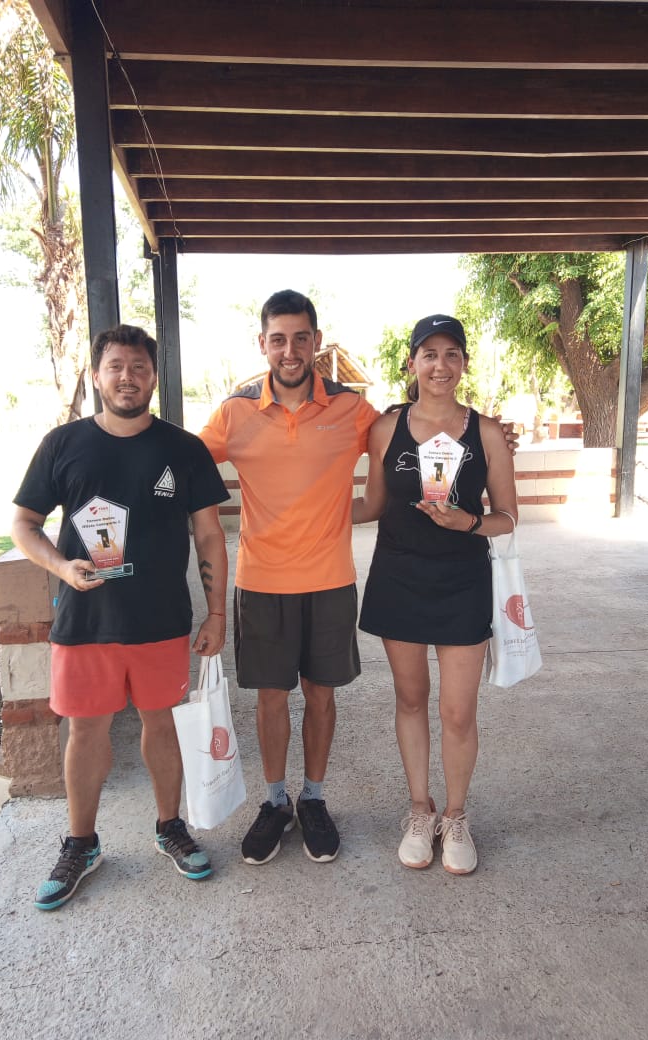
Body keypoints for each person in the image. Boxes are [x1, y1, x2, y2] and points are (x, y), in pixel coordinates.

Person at [200, 292, 518, 867]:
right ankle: (279, 802)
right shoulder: (237, 412)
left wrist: (492, 454)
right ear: (263, 344)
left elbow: (428, 436)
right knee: (276, 699)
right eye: (279, 339)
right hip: (272, 578)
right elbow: (182, 461)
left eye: (301, 338)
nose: (290, 350)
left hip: (339, 578)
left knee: (328, 696)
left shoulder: (355, 411)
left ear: (316, 342)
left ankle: (321, 799)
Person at [12, 324, 230, 910]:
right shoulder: (63, 444)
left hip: (161, 621)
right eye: (116, 367)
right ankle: (81, 844)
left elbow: (209, 535)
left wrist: (216, 614)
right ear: (96, 375)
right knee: (86, 731)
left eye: (138, 367)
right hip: (85, 622)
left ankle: (170, 827)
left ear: (154, 377)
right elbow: (24, 525)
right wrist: (62, 568)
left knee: (163, 726)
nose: (127, 377)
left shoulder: (183, 449)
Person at [353, 314, 518, 876]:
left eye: (452, 354)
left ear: (464, 363)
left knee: (458, 710)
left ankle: (456, 816)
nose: (440, 366)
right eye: (430, 354)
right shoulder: (386, 428)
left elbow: (507, 518)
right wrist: (304, 513)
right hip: (399, 578)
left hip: (462, 583)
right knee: (410, 698)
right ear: (412, 363)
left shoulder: (487, 433)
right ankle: (420, 811)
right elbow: (372, 505)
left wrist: (467, 522)